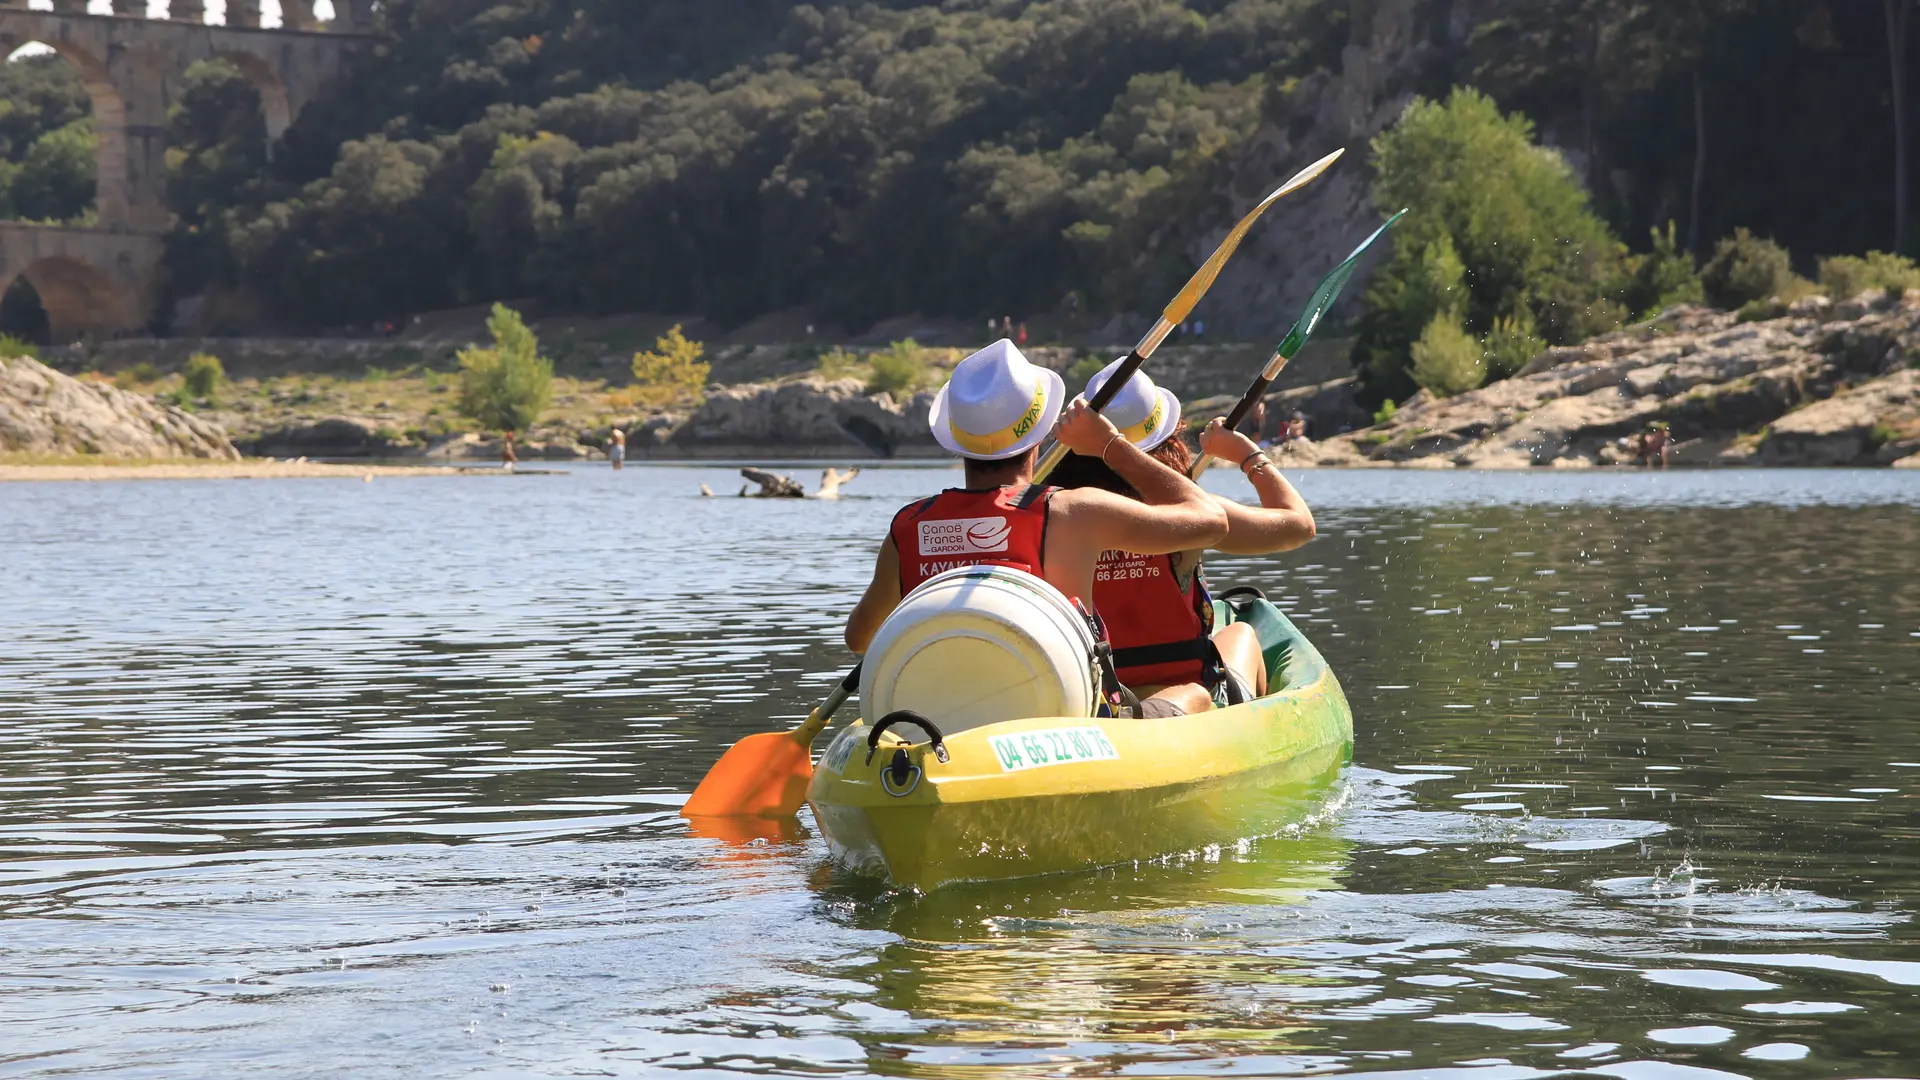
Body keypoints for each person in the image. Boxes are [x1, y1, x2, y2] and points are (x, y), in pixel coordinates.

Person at [845, 340, 1228, 668]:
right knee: (1195, 693)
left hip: (937, 719)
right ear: (1040, 433)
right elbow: (1212, 521)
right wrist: (1113, 446)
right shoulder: (1074, 511)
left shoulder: (908, 525)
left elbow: (860, 639)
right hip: (1051, 719)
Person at [1048, 361, 1317, 717]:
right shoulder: (1192, 519)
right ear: (1167, 444)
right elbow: (1298, 525)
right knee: (1241, 635)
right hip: (1184, 697)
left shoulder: (1054, 512)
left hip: (1094, 696)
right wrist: (1248, 456)